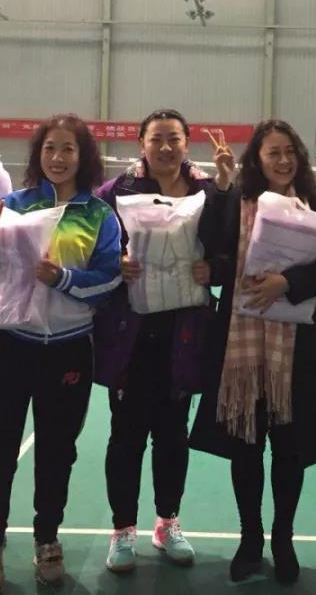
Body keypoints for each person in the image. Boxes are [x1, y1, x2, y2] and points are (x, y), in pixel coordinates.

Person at [0, 114, 122, 593]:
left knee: (57, 452)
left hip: (67, 351)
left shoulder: (99, 215)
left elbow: (110, 280)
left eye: (68, 148)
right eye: (50, 148)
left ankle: (47, 538)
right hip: (6, 346)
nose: (58, 157)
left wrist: (63, 279)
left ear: (83, 156)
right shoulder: (11, 205)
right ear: (39, 154)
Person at [191, 119, 316, 585]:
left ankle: (282, 538)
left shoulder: (311, 204)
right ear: (257, 159)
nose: (283, 160)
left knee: (289, 449)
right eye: (273, 152)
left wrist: (287, 283)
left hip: (295, 350)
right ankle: (250, 537)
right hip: (240, 347)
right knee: (246, 446)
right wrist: (221, 184)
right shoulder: (237, 200)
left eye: (289, 151)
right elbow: (216, 252)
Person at [95, 109, 231, 572]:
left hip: (184, 333)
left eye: (174, 138)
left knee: (172, 434)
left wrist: (215, 268)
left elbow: (229, 246)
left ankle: (167, 522)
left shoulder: (209, 190)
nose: (166, 147)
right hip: (131, 334)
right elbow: (90, 240)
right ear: (142, 144)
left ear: (187, 143)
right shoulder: (118, 190)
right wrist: (114, 262)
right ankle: (122, 530)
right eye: (157, 139)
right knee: (126, 435)